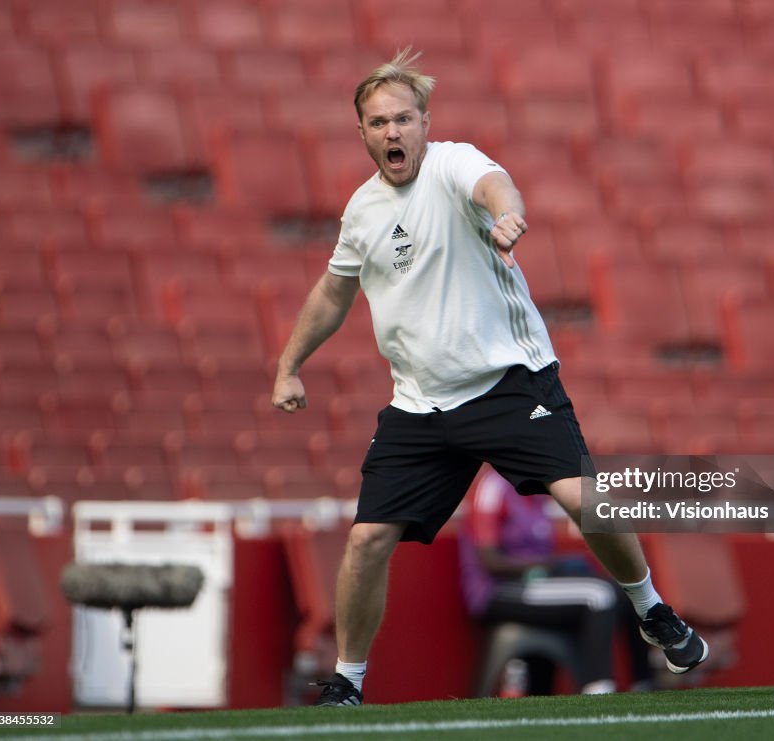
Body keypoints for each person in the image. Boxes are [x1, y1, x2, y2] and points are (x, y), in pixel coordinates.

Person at [270, 48, 708, 707]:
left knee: (586, 500)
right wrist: (289, 364)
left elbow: (495, 184)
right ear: (361, 132)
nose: (395, 132)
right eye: (380, 122)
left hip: (509, 382)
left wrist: (508, 212)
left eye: (405, 118)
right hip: (420, 406)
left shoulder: (452, 164)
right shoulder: (361, 213)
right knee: (365, 541)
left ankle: (651, 609)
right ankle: (348, 682)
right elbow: (334, 293)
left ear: (425, 121)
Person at [459, 468, 658, 695]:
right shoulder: (493, 486)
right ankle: (598, 687)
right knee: (598, 595)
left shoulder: (535, 491)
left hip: (536, 582)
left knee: (622, 589)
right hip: (498, 589)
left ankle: (644, 682)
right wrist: (551, 563)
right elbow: (489, 561)